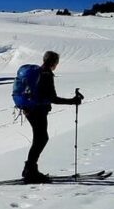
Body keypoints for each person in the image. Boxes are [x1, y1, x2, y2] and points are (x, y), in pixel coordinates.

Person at [22, 51, 83, 182]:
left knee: (40, 138)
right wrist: (72, 101)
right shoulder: (46, 74)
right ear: (54, 63)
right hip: (38, 110)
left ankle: (30, 169)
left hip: (29, 109)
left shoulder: (37, 72)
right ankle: (30, 171)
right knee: (41, 138)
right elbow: (52, 98)